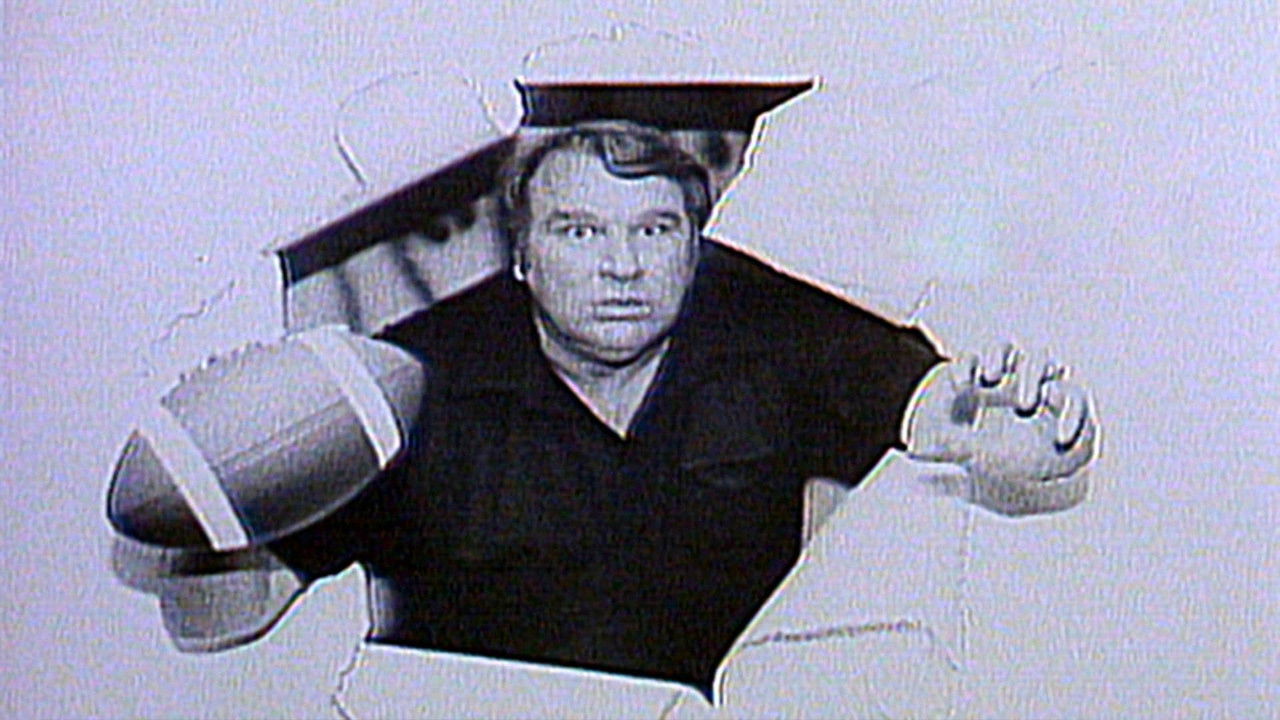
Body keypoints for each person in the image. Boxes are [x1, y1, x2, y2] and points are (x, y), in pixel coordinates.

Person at [265, 121, 1097, 692]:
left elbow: (937, 409)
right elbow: (240, 604)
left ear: (695, 248)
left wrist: (1029, 449)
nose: (623, 266)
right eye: (580, 232)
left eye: (655, 230)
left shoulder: (762, 317)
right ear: (521, 255)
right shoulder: (411, 375)